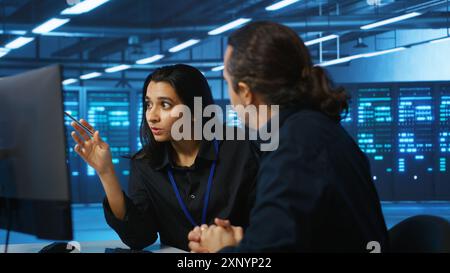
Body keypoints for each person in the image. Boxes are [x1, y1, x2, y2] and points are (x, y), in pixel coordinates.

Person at [188, 21, 389, 253]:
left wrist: (220, 251)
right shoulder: (313, 129)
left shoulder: (293, 149)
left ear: (245, 92)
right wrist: (241, 245)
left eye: (227, 82)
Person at [70, 64, 258, 251]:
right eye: (148, 104)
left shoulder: (241, 149)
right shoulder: (145, 163)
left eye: (165, 105)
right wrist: (106, 172)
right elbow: (139, 237)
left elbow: (270, 221)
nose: (152, 116)